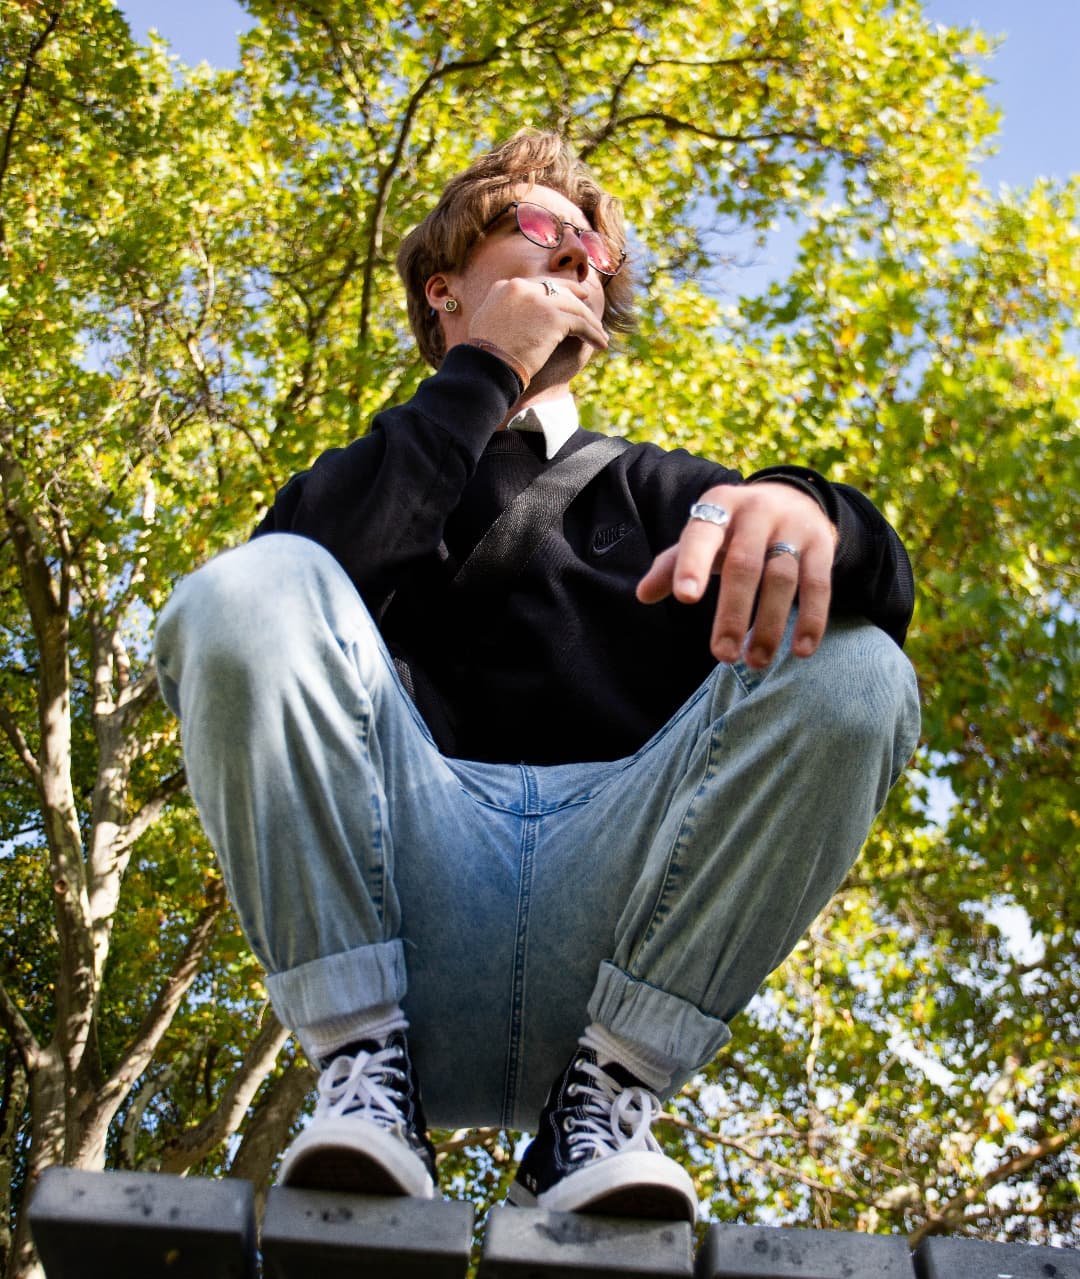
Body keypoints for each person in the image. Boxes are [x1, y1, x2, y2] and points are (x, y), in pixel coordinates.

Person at [154, 130, 920, 1223]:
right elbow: (262, 610)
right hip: (399, 918)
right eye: (545, 234)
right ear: (446, 293)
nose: (578, 259)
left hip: (615, 937)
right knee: (244, 587)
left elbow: (871, 601)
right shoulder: (381, 471)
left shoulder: (669, 489)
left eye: (596, 254)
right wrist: (484, 380)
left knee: (861, 673)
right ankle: (364, 1075)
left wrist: (811, 507)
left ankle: (600, 1106)